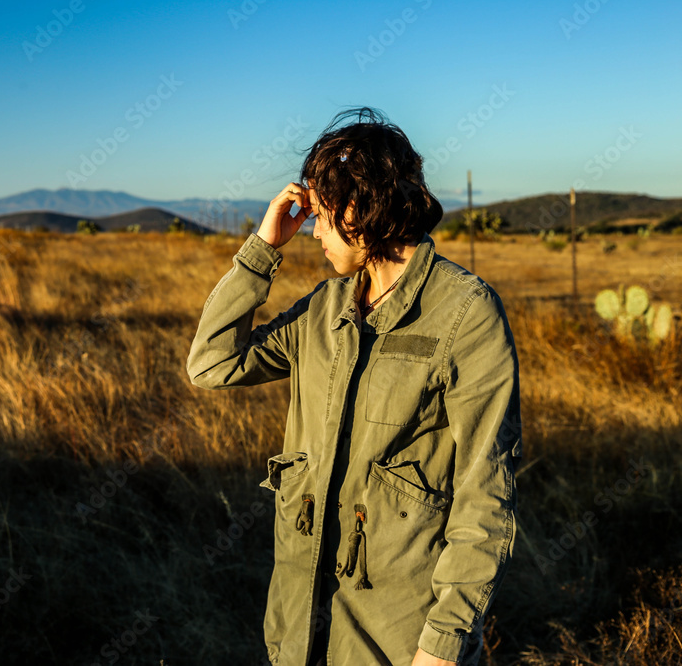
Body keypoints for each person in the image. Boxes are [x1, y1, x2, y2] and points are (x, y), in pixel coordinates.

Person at [186, 107, 522, 666]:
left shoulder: (465, 311)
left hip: (395, 638)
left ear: (361, 205)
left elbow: (486, 493)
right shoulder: (324, 308)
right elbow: (212, 364)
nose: (313, 229)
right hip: (298, 632)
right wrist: (262, 250)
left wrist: (441, 645)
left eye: (322, 212)